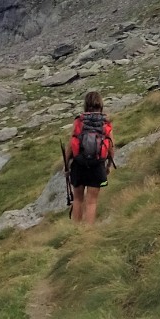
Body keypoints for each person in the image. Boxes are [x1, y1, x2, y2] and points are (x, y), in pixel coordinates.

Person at [67, 90, 113, 224]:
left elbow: (71, 145)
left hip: (79, 164)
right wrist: (108, 165)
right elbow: (111, 146)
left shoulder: (79, 121)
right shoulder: (105, 122)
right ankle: (88, 233)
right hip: (97, 164)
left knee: (78, 199)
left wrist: (66, 166)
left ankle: (75, 231)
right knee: (91, 202)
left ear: (86, 104)